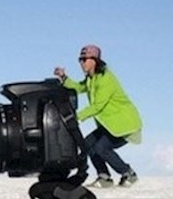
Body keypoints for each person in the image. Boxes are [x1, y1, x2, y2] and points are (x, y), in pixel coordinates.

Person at [54, 44, 142, 188]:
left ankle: (128, 173)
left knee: (101, 148)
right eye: (80, 59)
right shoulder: (91, 78)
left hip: (124, 124)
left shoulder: (105, 79)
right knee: (87, 144)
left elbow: (97, 106)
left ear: (95, 60)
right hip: (110, 125)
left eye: (85, 59)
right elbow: (79, 87)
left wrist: (74, 117)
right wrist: (63, 78)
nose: (81, 63)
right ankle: (104, 177)